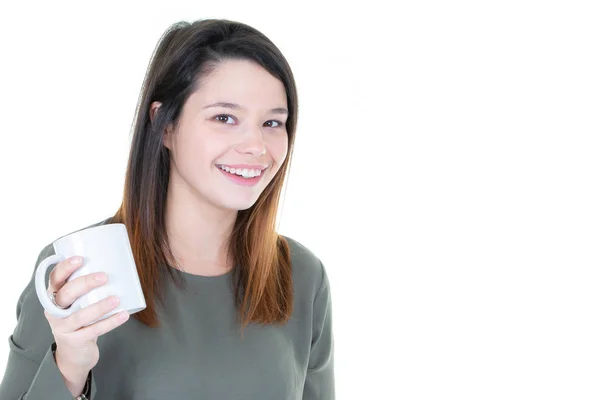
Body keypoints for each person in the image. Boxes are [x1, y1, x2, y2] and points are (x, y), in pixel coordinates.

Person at [0, 18, 334, 400]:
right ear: (165, 124)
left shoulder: (302, 276)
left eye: (273, 122)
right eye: (225, 118)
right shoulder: (79, 271)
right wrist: (70, 365)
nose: (256, 146)